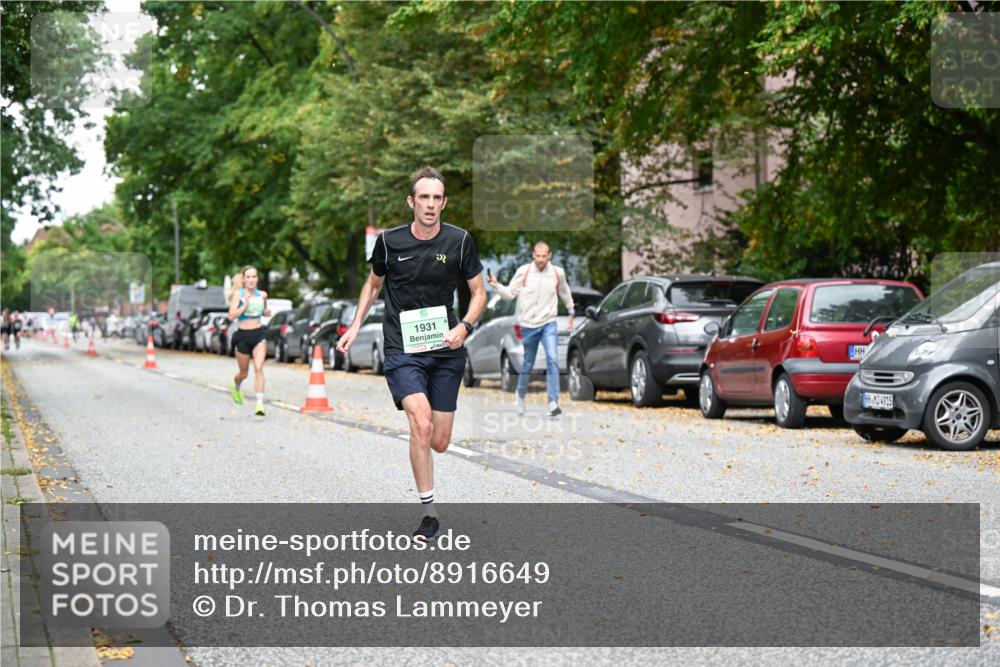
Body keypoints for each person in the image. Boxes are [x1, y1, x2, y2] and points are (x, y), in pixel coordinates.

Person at [337, 166, 486, 542]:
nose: (431, 205)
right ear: (411, 201)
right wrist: (355, 325)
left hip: (445, 348)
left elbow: (479, 293)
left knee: (439, 440)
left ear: (444, 202)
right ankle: (429, 513)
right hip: (402, 347)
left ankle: (429, 481)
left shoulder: (460, 241)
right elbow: (373, 285)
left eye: (437, 198)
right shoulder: (389, 242)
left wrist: (464, 326)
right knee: (420, 423)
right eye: (424, 197)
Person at [488, 241, 575, 417]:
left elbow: (565, 293)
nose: (541, 259)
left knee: (552, 358)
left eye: (544, 256)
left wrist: (571, 311)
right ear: (533, 255)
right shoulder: (524, 272)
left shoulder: (558, 273)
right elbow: (510, 294)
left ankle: (553, 402)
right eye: (538, 256)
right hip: (528, 324)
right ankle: (520, 397)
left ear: (549, 255)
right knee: (527, 364)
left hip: (548, 323)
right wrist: (496, 285)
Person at [227, 266, 271, 416]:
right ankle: (236, 385)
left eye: (254, 277)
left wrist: (266, 312)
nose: (251, 280)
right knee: (243, 373)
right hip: (242, 336)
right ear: (244, 280)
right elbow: (231, 316)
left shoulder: (263, 295)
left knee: (259, 367)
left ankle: (260, 404)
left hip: (259, 334)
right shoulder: (238, 295)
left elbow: (265, 310)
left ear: (257, 279)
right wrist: (244, 306)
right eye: (248, 277)